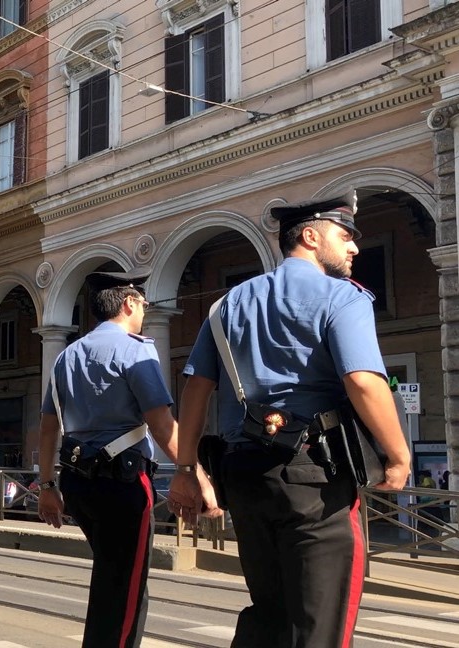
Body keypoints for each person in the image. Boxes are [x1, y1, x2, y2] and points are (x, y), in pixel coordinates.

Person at [173, 192, 411, 647]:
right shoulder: (343, 297)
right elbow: (363, 381)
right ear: (310, 237)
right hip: (315, 478)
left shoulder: (226, 306)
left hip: (244, 476)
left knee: (270, 616)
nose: (354, 247)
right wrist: (398, 456)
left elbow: (196, 390)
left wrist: (186, 469)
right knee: (319, 626)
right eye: (344, 236)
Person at [36, 271, 218, 648]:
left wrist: (48, 486)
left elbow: (48, 427)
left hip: (77, 484)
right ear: (128, 303)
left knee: (112, 579)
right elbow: (162, 425)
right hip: (123, 485)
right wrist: (195, 474)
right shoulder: (136, 350)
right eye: (143, 304)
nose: (145, 311)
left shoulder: (66, 356)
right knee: (125, 591)